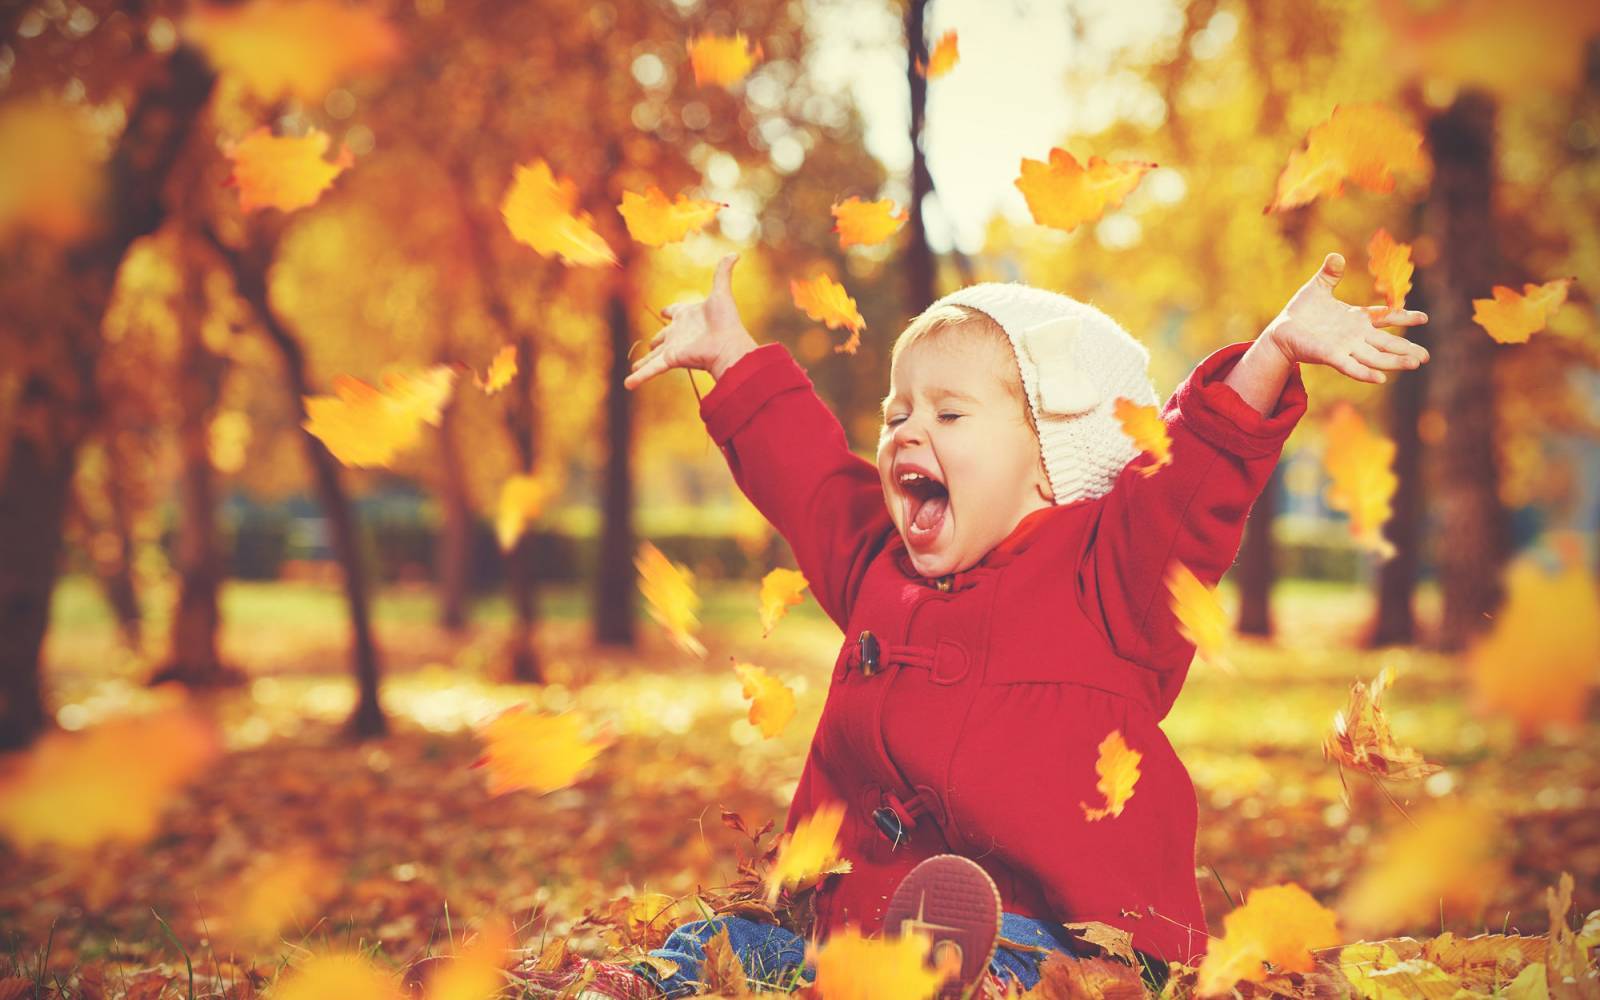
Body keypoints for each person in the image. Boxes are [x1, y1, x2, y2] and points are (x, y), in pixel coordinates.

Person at [526, 252, 1427, 998]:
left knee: (1015, 971)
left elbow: (1191, 485)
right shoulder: (881, 564)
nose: (907, 432)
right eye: (896, 413)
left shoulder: (1113, 578)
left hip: (1066, 939)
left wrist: (1271, 354)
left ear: (1051, 465)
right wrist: (734, 360)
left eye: (949, 413)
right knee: (728, 945)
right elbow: (809, 482)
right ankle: (623, 985)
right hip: (856, 930)